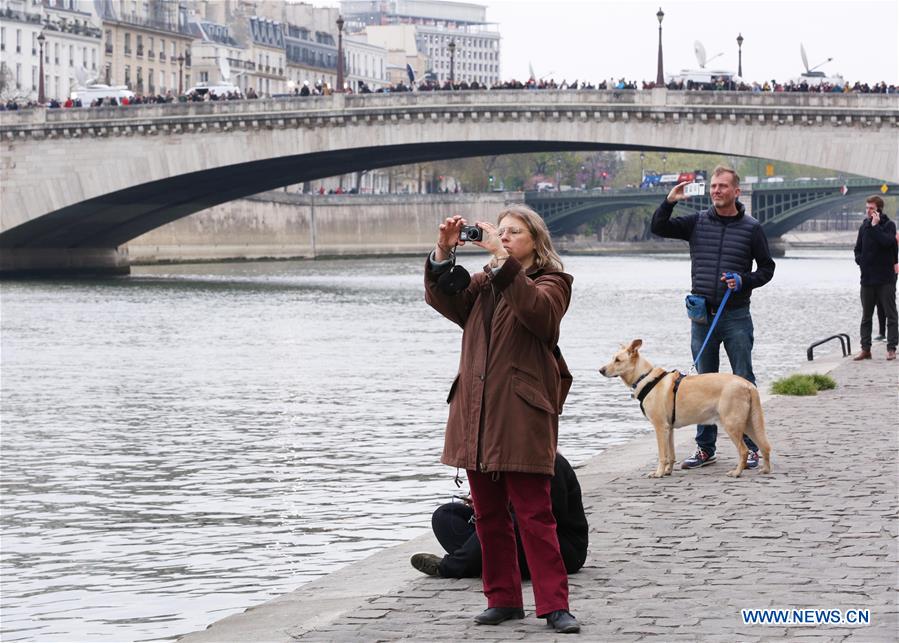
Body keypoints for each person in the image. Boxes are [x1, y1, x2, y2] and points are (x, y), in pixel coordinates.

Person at [424, 205, 580, 634]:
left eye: (514, 232)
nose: (505, 237)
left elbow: (539, 315)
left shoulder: (553, 283)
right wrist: (442, 253)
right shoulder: (485, 284)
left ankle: (554, 604)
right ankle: (503, 599)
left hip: (521, 415)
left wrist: (500, 260)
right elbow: (445, 301)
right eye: (501, 232)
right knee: (488, 516)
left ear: (535, 240)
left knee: (535, 515)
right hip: (475, 413)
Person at [651, 166, 775, 470]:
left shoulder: (751, 228)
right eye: (713, 187)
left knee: (743, 379)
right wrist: (669, 202)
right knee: (701, 385)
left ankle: (752, 448)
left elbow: (767, 269)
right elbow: (659, 227)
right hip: (702, 316)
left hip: (736, 316)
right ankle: (705, 449)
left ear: (736, 191)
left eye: (722, 187)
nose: (716, 191)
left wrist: (744, 280)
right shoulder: (697, 223)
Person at [410, 452, 587, 580]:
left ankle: (453, 566)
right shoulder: (499, 464)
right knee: (445, 515)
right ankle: (481, 562)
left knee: (508, 522)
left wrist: (505, 505)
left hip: (560, 547)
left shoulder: (550, 464)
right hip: (513, 540)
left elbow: (541, 520)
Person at [852, 195, 898, 360]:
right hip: (867, 278)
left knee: (891, 314)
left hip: (885, 278)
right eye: (867, 208)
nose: (868, 211)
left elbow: (887, 242)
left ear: (878, 209)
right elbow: (857, 249)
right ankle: (866, 349)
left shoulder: (888, 225)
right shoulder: (864, 227)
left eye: (871, 208)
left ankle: (891, 348)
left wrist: (875, 226)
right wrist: (860, 261)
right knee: (866, 316)